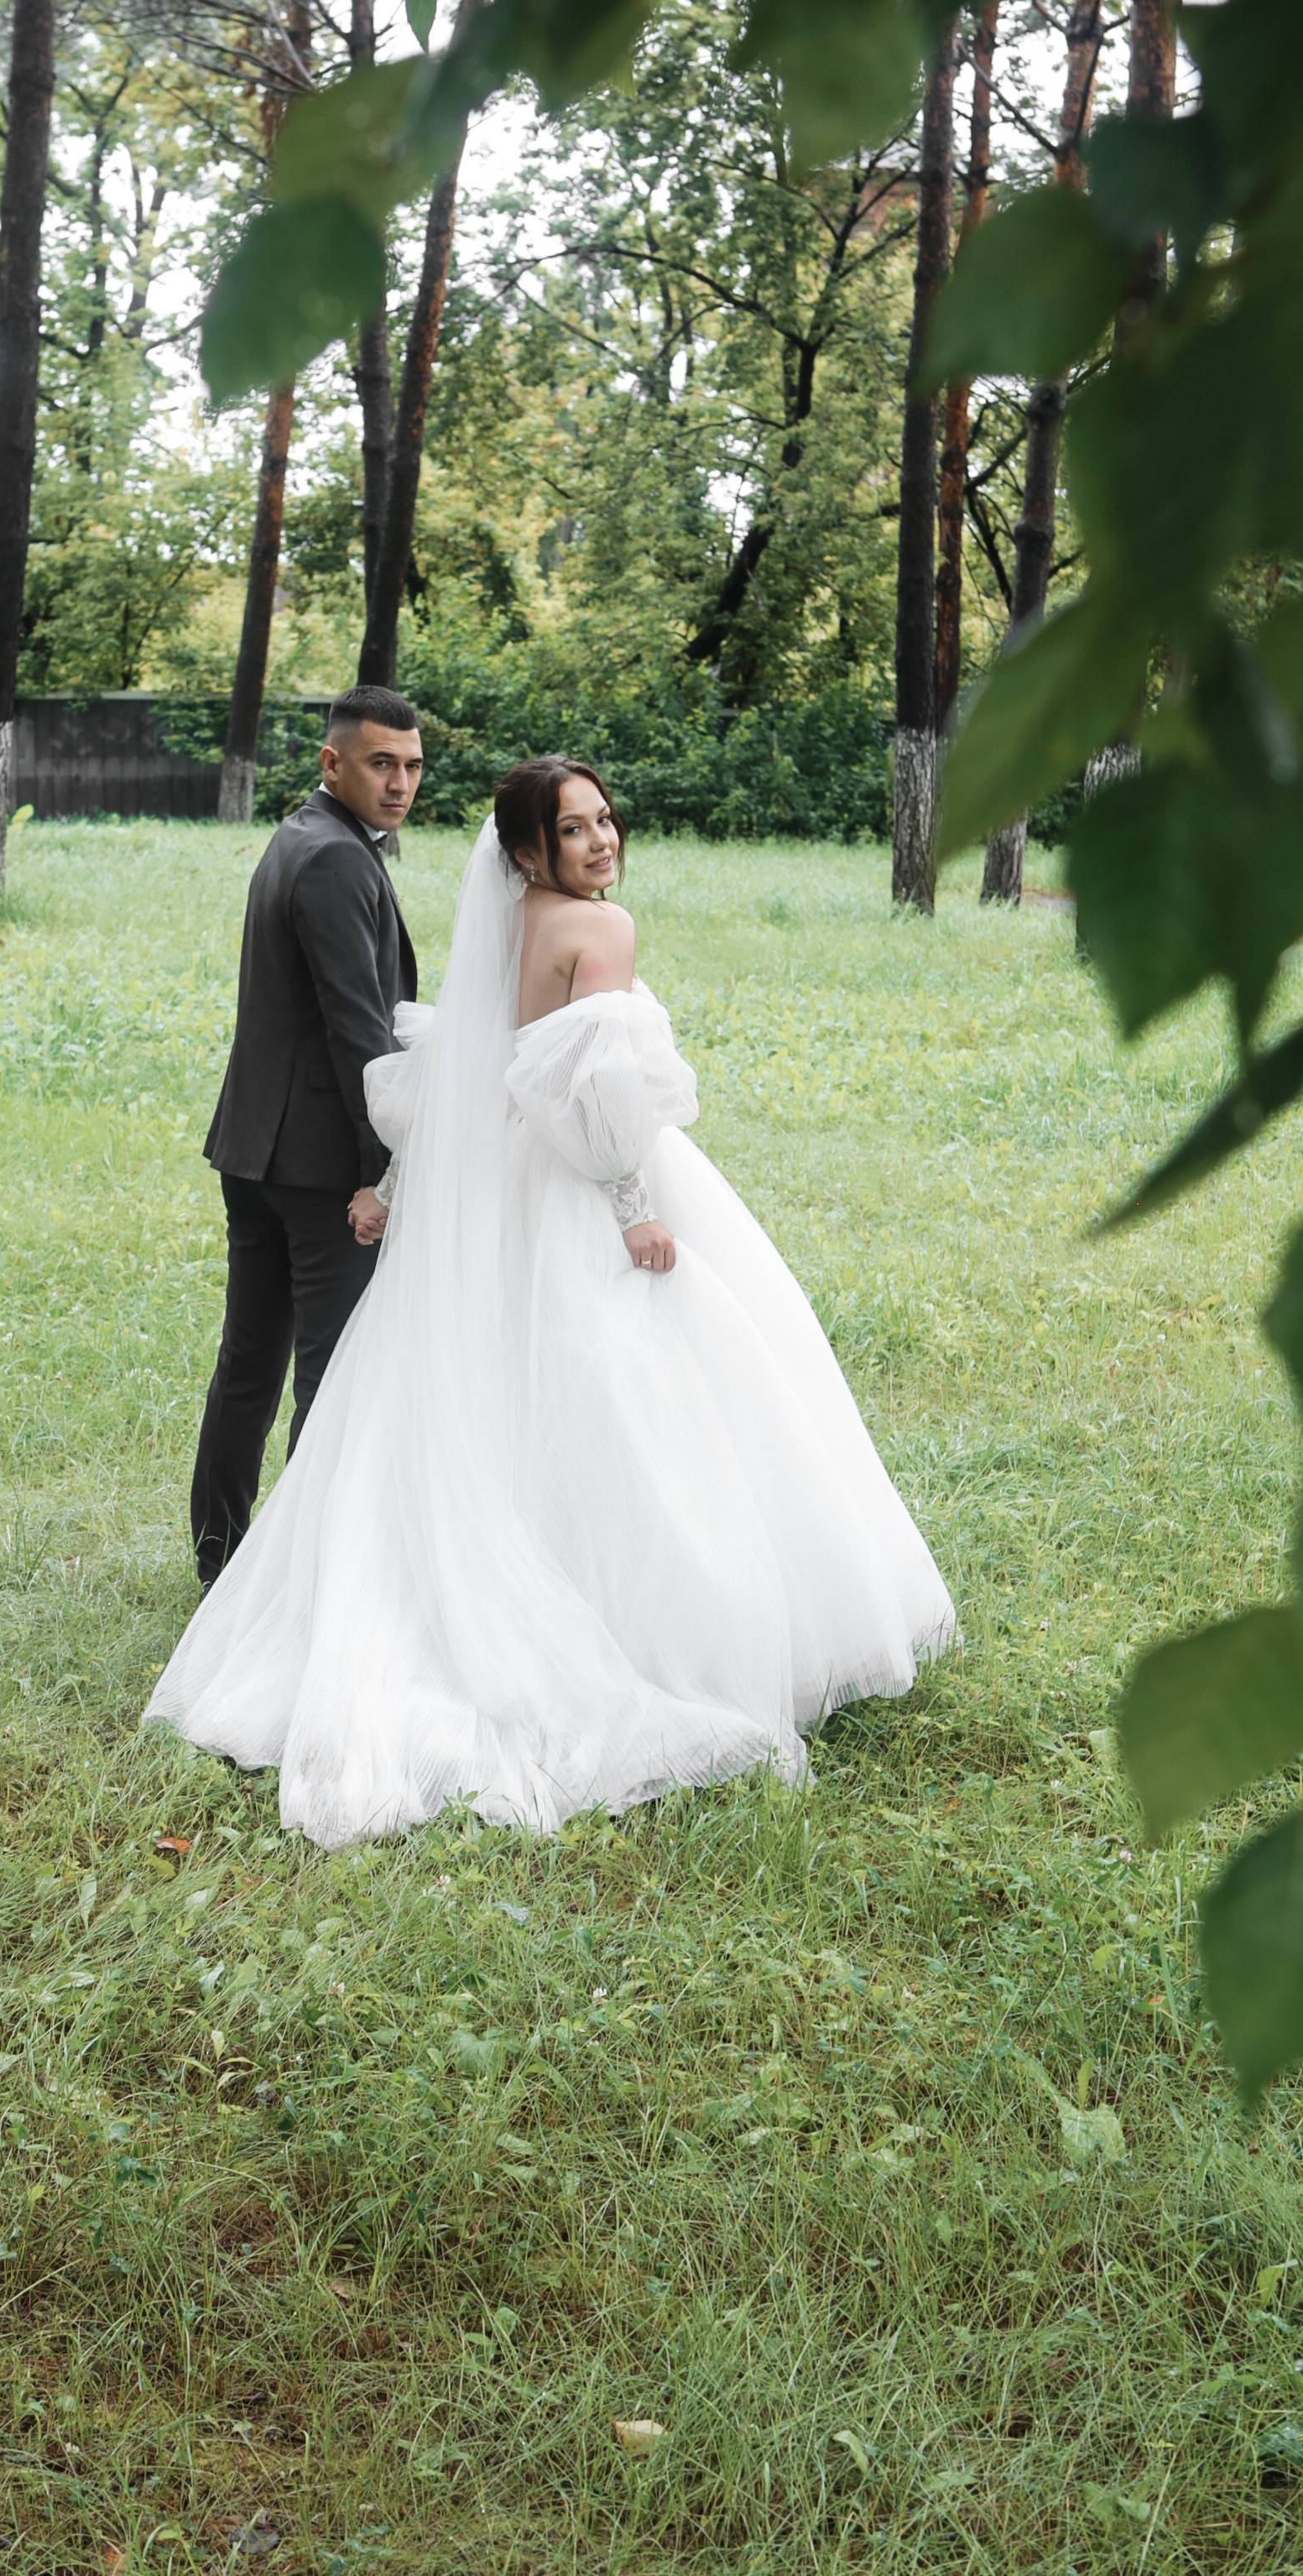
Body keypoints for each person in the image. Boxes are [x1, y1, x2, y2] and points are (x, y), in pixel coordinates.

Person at [148, 759, 954, 1845]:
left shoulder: (508, 924)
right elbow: (599, 1098)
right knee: (628, 1393)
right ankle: (654, 1634)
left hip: (483, 1195)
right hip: (575, 1189)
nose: (601, 842)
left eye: (605, 821)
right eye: (574, 831)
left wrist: (388, 1189)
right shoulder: (599, 932)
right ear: (529, 850)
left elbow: (464, 1078)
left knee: (480, 1390)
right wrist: (633, 1208)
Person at [189, 683, 421, 1588]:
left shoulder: (300, 835)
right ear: (333, 762)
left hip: (254, 1143)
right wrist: (388, 1170)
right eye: (379, 764)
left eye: (409, 766)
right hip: (320, 1163)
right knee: (328, 1370)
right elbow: (356, 1029)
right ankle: (303, 1578)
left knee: (249, 1358)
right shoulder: (334, 860)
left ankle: (221, 1557)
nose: (398, 783)